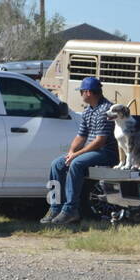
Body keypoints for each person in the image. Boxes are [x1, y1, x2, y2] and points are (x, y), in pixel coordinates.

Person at [43, 76, 118, 224]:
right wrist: (71, 152)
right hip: (90, 151)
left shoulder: (106, 110)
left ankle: (71, 210)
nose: (81, 94)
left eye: (81, 91)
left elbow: (99, 141)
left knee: (76, 164)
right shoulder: (88, 110)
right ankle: (55, 207)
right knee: (56, 164)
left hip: (105, 152)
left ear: (88, 92)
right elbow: (81, 136)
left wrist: (76, 155)